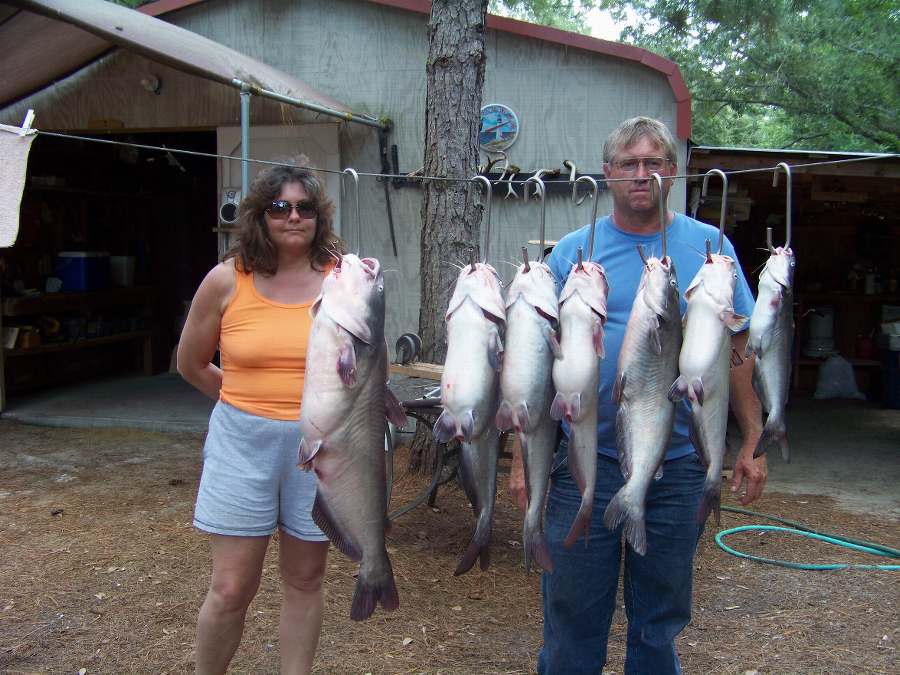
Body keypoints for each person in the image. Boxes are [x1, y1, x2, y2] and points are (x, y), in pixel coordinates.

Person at [509, 117, 768, 674]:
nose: (642, 174)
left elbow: (739, 356)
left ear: (672, 172)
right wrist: (519, 461)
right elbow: (534, 365)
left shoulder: (711, 248)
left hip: (677, 466)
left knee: (659, 621)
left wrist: (753, 439)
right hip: (582, 460)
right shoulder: (574, 254)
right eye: (629, 164)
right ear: (608, 174)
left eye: (654, 163)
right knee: (572, 616)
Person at [177, 164, 342, 674]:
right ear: (260, 215)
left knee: (305, 578)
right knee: (231, 587)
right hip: (241, 443)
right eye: (280, 207)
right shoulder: (226, 279)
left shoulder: (344, 281)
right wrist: (243, 400)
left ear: (318, 217)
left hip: (320, 448)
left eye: (305, 208)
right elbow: (190, 363)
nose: (294, 217)